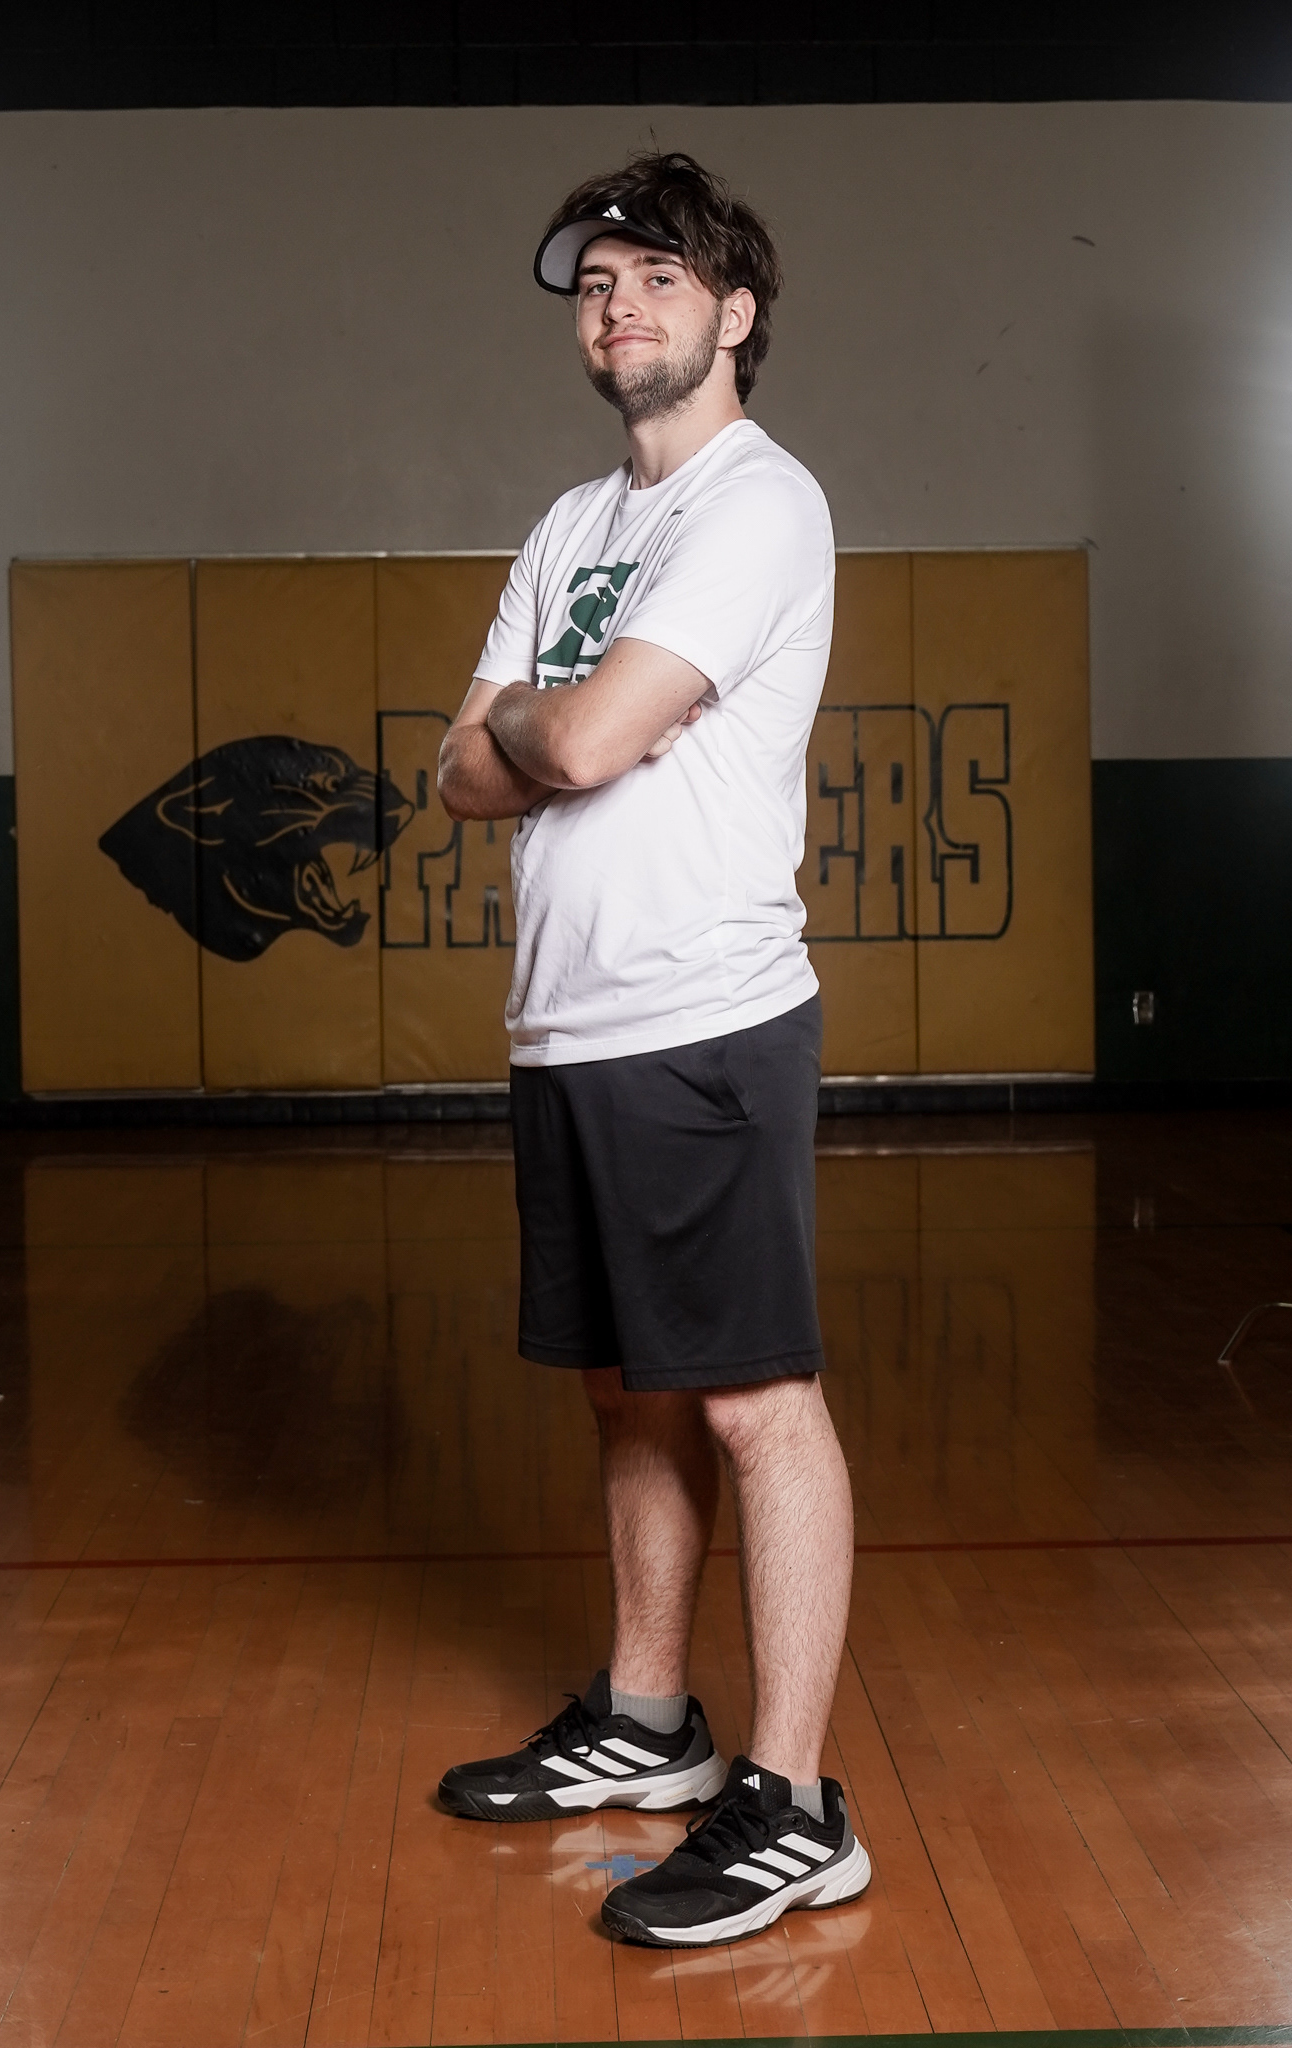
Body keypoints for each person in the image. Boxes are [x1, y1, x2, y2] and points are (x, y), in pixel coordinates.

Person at [434, 150, 869, 1949]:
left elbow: (574, 742)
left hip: (702, 1021)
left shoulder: (757, 505)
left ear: (734, 312)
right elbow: (458, 773)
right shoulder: (570, 524)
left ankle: (796, 1805)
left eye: (658, 279)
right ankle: (645, 1723)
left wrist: (545, 722)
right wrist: (555, 726)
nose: (617, 307)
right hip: (568, 1023)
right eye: (597, 285)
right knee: (625, 1391)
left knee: (757, 1401)